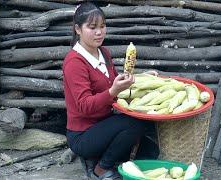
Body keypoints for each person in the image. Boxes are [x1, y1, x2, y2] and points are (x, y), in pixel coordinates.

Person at [63, 2, 159, 180]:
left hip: (105, 125)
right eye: (92, 28)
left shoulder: (103, 53)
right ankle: (100, 168)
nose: (99, 32)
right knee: (134, 124)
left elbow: (116, 82)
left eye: (102, 26)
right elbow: (85, 106)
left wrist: (142, 77)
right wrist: (112, 91)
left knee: (149, 145)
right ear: (78, 29)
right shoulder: (74, 62)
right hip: (83, 134)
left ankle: (108, 160)